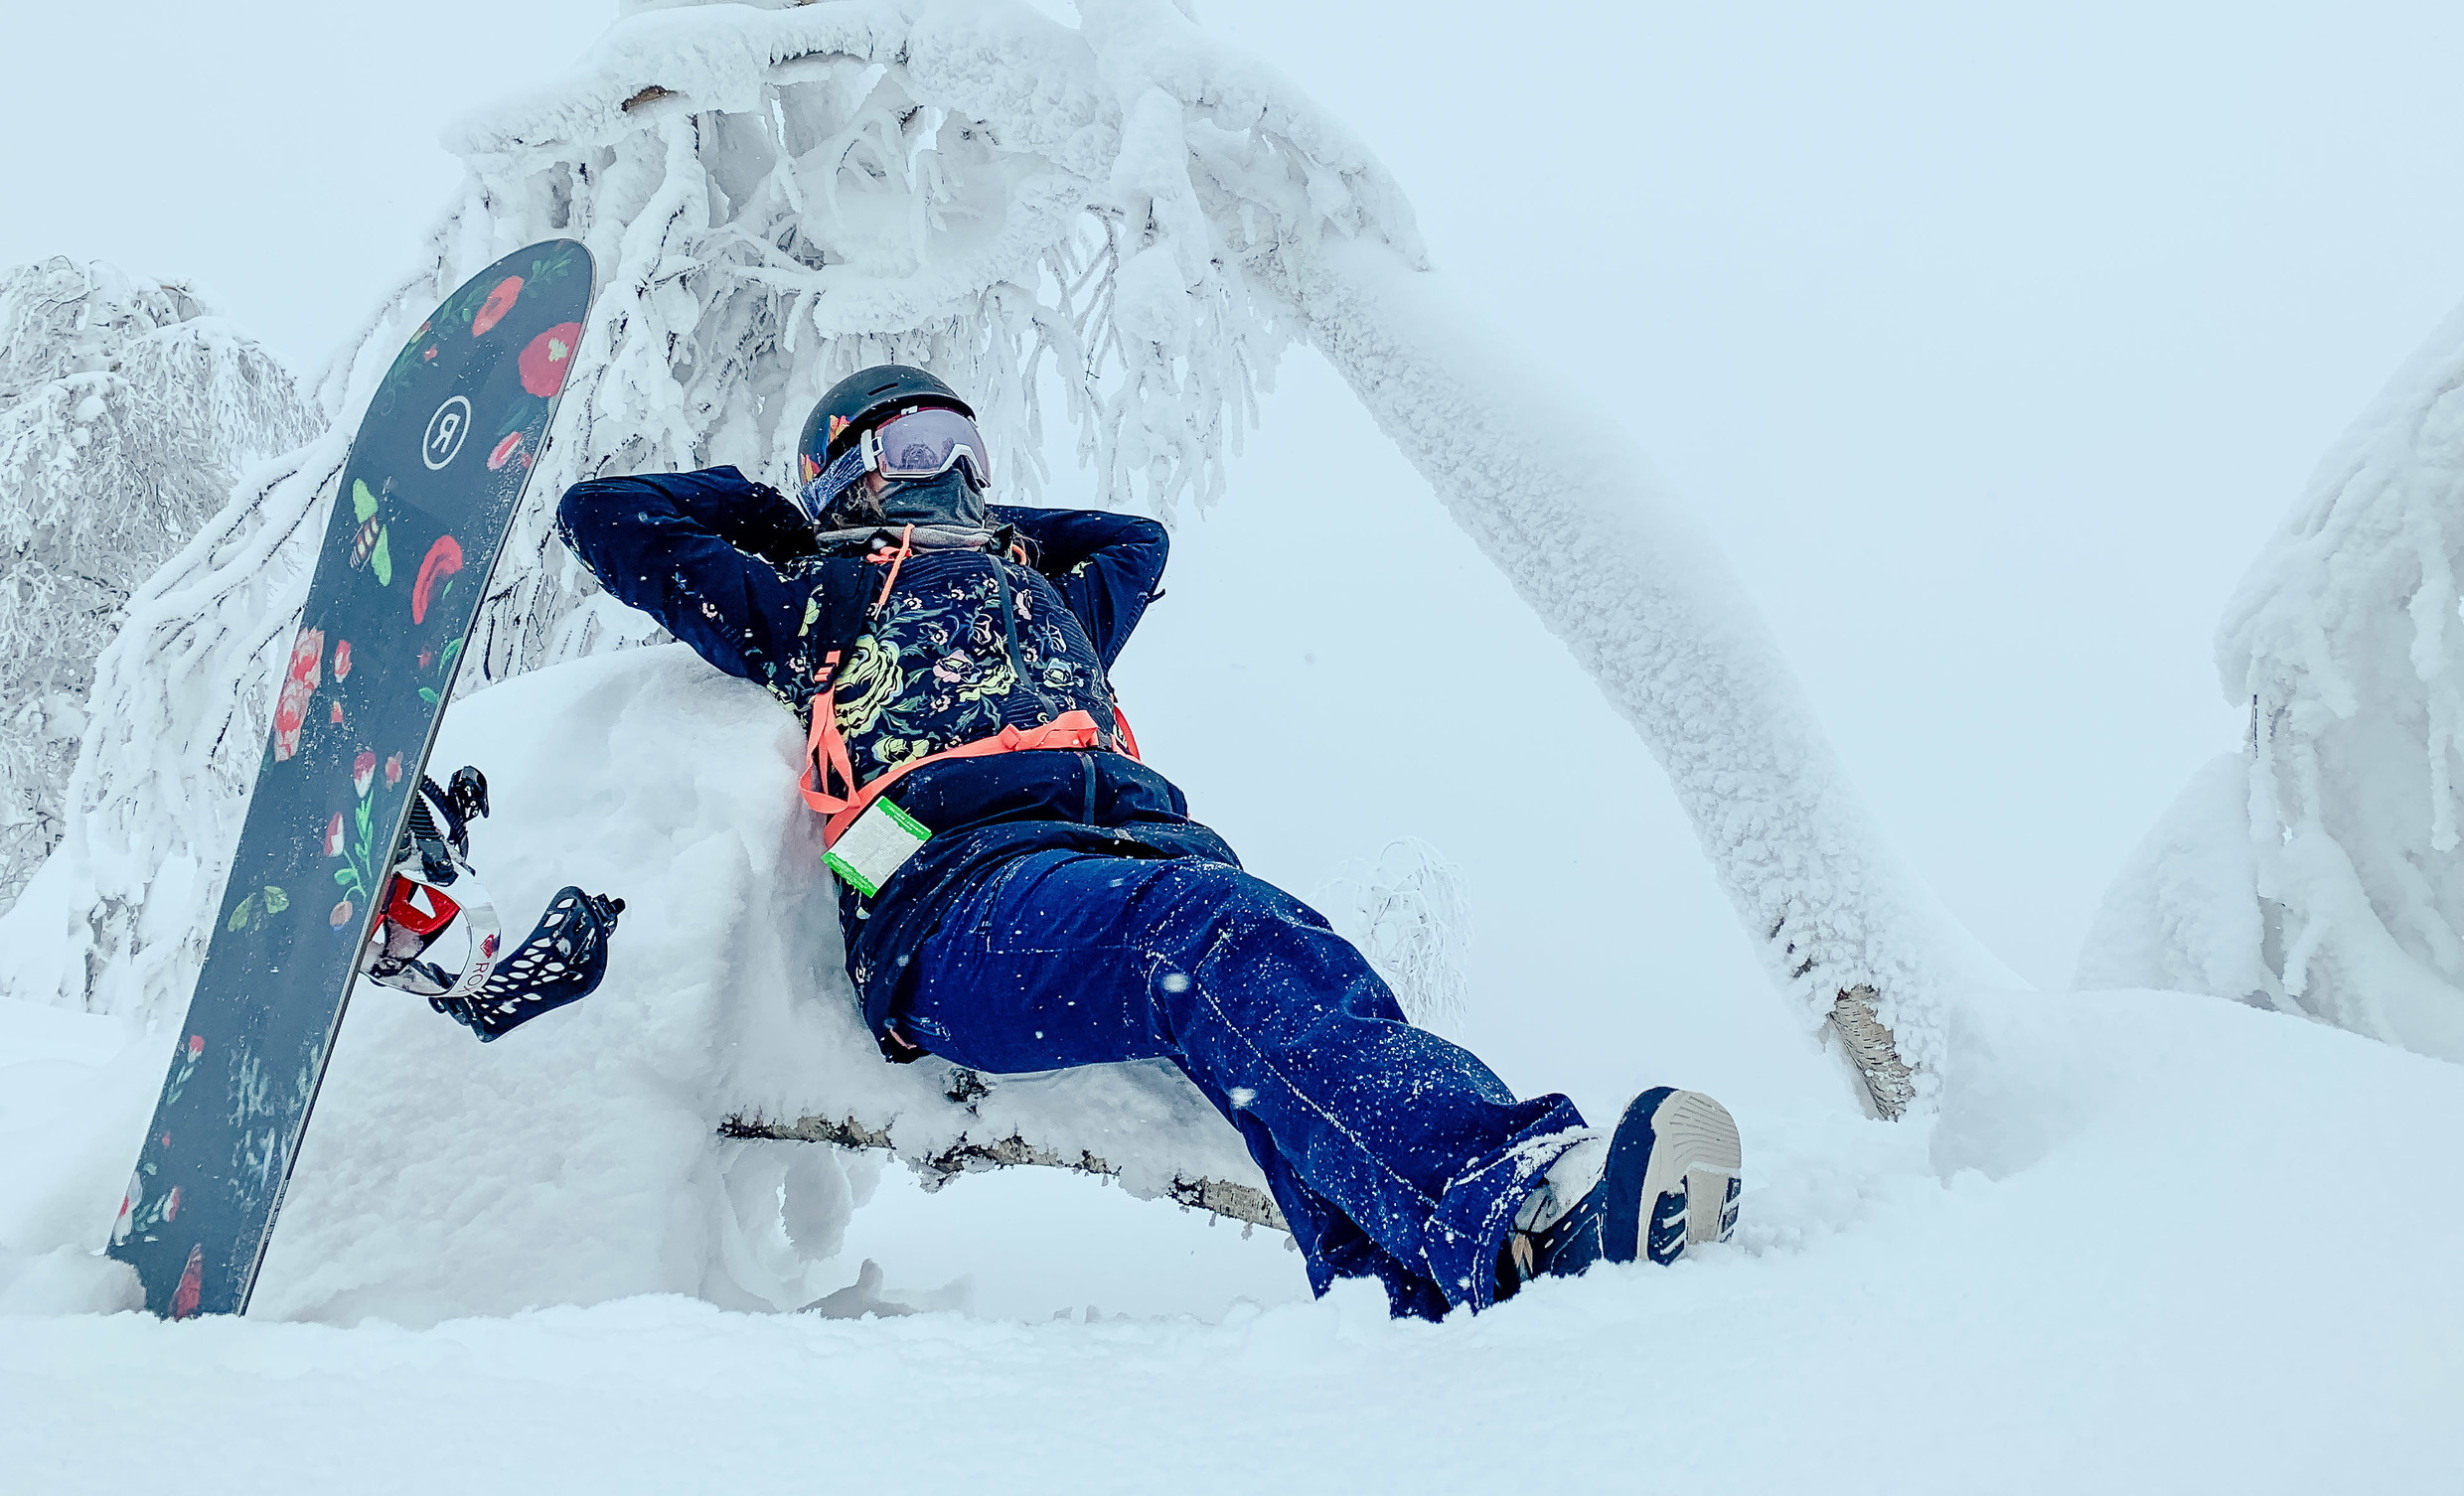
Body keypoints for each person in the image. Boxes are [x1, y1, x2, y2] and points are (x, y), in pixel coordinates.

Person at [554, 363, 1741, 1317]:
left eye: (970, 456)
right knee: (1213, 936)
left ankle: (1459, 1310)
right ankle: (1514, 1201)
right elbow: (603, 516)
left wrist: (978, 525)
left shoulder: (1052, 600)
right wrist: (784, 524)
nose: (956, 475)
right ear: (849, 478)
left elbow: (1137, 538)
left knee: (1271, 963)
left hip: (1134, 865)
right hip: (957, 905)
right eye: (920, 454)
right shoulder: (813, 601)